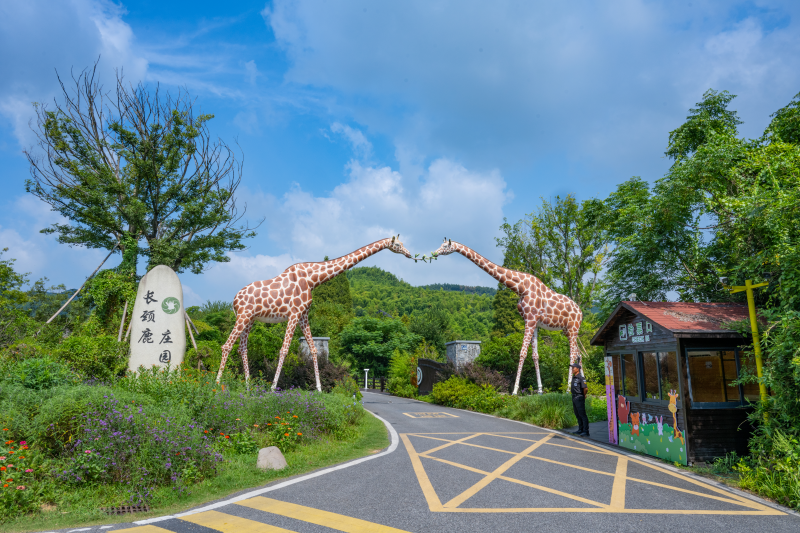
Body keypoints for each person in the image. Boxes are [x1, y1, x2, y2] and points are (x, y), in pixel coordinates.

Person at [570, 363, 590, 437]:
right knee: (577, 414)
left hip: (579, 397)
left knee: (582, 414)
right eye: (572, 368)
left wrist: (583, 395)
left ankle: (586, 431)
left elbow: (585, 388)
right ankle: (580, 429)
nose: (572, 369)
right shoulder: (574, 377)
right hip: (574, 397)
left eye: (573, 368)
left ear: (577, 369)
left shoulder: (581, 377)